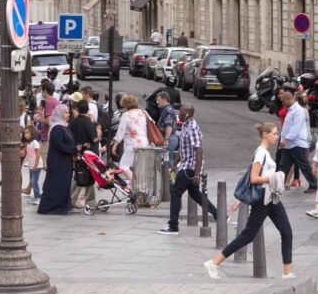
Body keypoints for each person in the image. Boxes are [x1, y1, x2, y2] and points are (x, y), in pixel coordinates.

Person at [205, 123, 294, 279]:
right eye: (274, 133)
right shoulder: (261, 153)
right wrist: (273, 177)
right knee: (248, 235)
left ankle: (288, 272)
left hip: (272, 198)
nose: (276, 136)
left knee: (287, 232)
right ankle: (214, 262)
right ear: (265, 134)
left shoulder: (265, 153)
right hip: (262, 200)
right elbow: (253, 178)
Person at [160, 104, 217, 234]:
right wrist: (175, 165)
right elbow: (183, 149)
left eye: (180, 112)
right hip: (185, 165)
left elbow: (199, 151)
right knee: (195, 194)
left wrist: (197, 174)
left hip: (190, 168)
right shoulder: (185, 125)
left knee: (175, 192)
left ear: (187, 113)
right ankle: (219, 215)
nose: (178, 114)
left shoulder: (193, 129)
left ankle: (173, 225)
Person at [38, 104, 76, 215]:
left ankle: (63, 206)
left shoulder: (64, 126)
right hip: (58, 161)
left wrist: (76, 148)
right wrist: (72, 149)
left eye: (68, 112)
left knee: (64, 184)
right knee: (56, 184)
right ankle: (51, 207)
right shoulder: (56, 128)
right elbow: (59, 145)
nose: (68, 114)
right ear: (59, 114)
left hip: (65, 161)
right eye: (65, 112)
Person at [278, 89, 317, 193]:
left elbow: (295, 128)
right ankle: (277, 184)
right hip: (289, 145)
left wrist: (285, 140)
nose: (282, 103)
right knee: (283, 165)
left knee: (303, 165)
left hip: (296, 144)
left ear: (288, 99)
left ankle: (314, 184)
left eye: (283, 101)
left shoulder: (299, 111)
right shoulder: (291, 110)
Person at [113, 94, 148, 185]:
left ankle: (136, 184)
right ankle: (140, 186)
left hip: (133, 143)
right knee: (139, 167)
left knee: (123, 165)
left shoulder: (127, 115)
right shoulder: (143, 112)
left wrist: (115, 145)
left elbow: (121, 131)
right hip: (144, 143)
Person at [70, 99, 98, 212]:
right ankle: (90, 201)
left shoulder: (73, 122)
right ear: (87, 109)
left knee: (77, 175)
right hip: (88, 154)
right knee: (90, 177)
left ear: (77, 109)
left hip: (77, 153)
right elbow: (94, 139)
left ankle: (72, 199)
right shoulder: (88, 122)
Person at [34, 79, 59, 172]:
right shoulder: (56, 101)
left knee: (41, 163)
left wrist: (38, 119)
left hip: (47, 136)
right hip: (53, 135)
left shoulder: (48, 102)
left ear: (45, 91)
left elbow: (48, 121)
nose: (41, 93)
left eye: (42, 91)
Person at [23, 126, 41, 204]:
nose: (25, 135)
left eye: (27, 133)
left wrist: (35, 165)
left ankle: (38, 197)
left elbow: (38, 154)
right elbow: (29, 154)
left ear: (32, 133)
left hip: (37, 165)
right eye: (24, 133)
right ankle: (35, 197)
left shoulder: (35, 143)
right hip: (31, 165)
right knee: (32, 181)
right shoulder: (29, 143)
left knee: (34, 181)